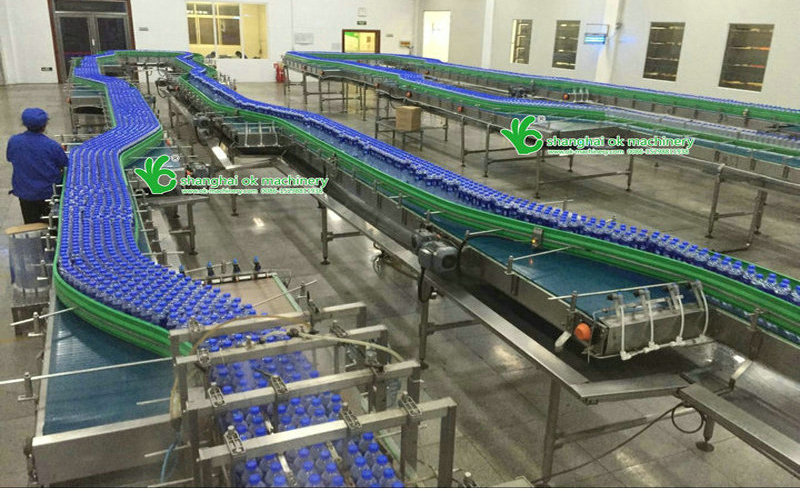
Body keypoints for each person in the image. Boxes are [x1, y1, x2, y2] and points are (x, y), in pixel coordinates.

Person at [5, 108, 68, 224]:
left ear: (24, 124)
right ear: (44, 125)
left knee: (31, 224)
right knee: (52, 224)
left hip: (25, 193)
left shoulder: (14, 141)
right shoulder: (52, 146)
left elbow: (10, 158)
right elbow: (64, 163)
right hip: (48, 194)